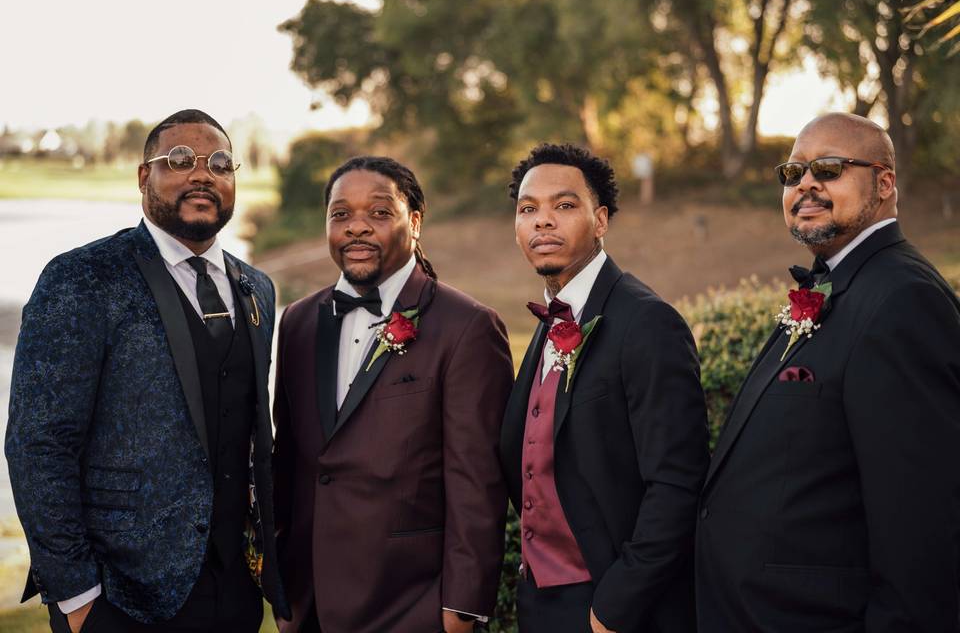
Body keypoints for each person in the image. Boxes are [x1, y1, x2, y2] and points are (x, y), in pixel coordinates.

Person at [5, 109, 289, 633]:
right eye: (180, 159)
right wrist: (77, 596)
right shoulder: (81, 277)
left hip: (235, 593)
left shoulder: (258, 289)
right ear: (144, 177)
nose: (203, 174)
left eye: (221, 163)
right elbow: (38, 444)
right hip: (120, 597)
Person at [696, 113, 960, 631]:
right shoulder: (835, 287)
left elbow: (922, 526)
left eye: (830, 168)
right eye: (793, 173)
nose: (807, 184)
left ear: (884, 184)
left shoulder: (904, 300)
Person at [271, 156, 512, 633]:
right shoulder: (297, 321)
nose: (356, 228)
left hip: (413, 604)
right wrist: (285, 593)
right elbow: (291, 464)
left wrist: (462, 608)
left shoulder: (467, 328)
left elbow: (478, 483)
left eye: (379, 213)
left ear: (414, 223)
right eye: (341, 215)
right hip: (310, 603)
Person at [499, 143, 709, 633]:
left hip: (618, 610)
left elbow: (678, 481)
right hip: (540, 606)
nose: (542, 221)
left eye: (564, 206)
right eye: (528, 209)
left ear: (600, 220)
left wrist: (615, 607)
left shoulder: (648, 322)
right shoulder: (548, 321)